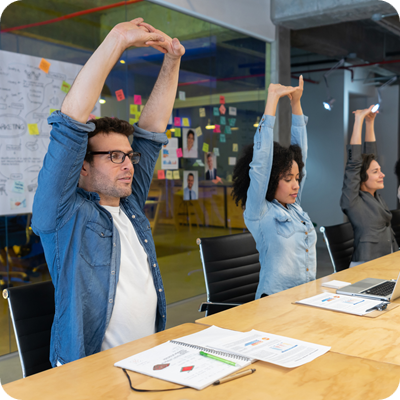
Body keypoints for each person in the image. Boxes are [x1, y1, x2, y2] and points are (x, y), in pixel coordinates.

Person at [31, 18, 185, 367]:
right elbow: (70, 124)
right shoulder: (63, 215)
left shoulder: (128, 205)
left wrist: (172, 61)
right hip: (91, 371)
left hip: (149, 360)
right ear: (82, 166)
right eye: (114, 157)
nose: (128, 164)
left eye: (128, 156)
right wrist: (117, 40)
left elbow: (151, 131)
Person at [232, 76, 316, 298]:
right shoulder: (260, 212)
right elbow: (261, 164)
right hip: (274, 304)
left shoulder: (294, 207)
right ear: (271, 180)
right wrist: (272, 100)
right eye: (288, 179)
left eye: (297, 178)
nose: (296, 185)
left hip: (305, 299)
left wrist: (296, 104)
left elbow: (302, 153)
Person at [341, 106, 398, 267]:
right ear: (362, 177)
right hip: (366, 266)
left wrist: (370, 123)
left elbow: (371, 156)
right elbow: (354, 165)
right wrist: (358, 120)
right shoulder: (352, 200)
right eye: (376, 172)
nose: (382, 174)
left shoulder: (374, 197)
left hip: (386, 261)